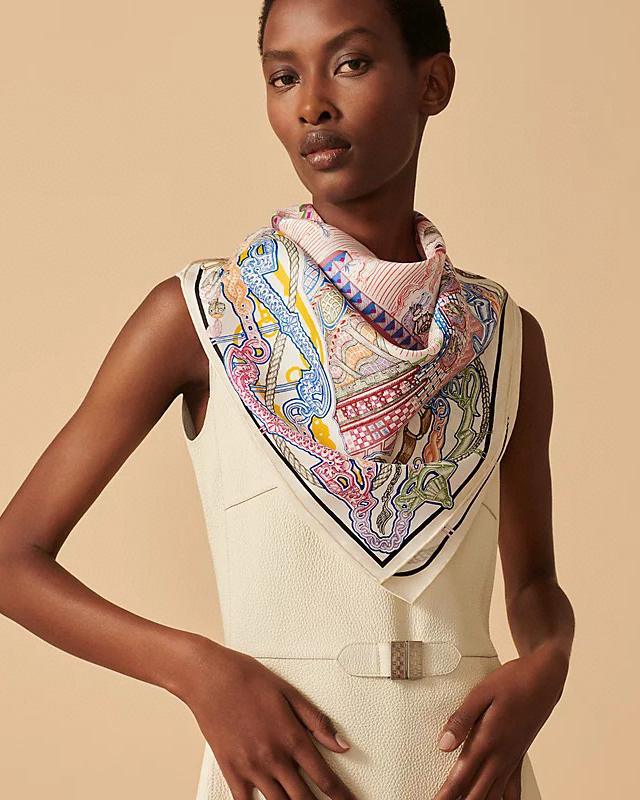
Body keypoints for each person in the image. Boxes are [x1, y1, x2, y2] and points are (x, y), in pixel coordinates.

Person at [0, 1, 575, 798]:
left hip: (471, 776)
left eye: (350, 63)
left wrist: (549, 664)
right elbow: (12, 559)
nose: (312, 104)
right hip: (282, 777)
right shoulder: (205, 315)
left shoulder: (504, 337)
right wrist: (197, 672)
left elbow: (534, 581)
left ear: (433, 82)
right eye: (283, 76)